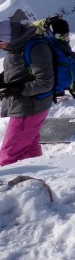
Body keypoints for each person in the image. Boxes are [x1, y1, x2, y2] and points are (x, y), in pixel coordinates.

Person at [0, 18, 55, 166]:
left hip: (30, 108)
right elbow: (18, 70)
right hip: (27, 106)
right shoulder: (15, 48)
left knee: (9, 152)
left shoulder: (36, 48)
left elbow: (45, 82)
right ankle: (35, 172)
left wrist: (16, 90)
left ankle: (5, 184)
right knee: (29, 146)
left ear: (7, 37)